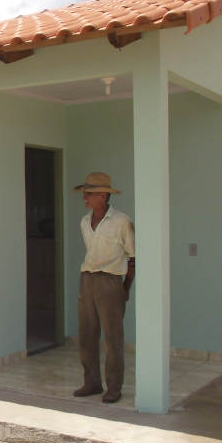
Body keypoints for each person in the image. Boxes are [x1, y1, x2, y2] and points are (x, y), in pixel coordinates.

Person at [72, 172, 135, 404]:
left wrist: (126, 287)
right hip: (87, 278)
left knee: (112, 337)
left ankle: (114, 387)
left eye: (88, 194)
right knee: (87, 334)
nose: (84, 198)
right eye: (84, 194)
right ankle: (92, 382)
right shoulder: (84, 222)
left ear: (102, 195)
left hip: (110, 281)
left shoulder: (122, 222)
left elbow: (132, 257)